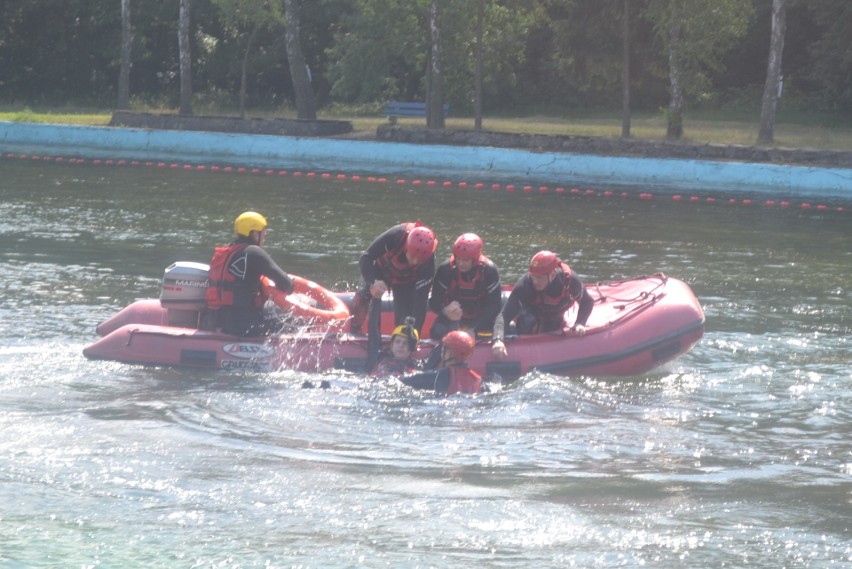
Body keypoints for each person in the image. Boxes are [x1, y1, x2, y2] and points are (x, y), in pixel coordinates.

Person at [206, 211, 294, 336]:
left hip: (218, 322)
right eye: (263, 233)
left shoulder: (226, 253)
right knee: (294, 320)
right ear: (254, 234)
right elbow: (287, 285)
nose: (264, 237)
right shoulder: (254, 252)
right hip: (245, 326)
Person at [491, 250, 594, 359]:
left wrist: (580, 323)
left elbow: (587, 302)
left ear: (553, 275)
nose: (535, 281)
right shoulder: (525, 284)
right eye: (533, 276)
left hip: (554, 316)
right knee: (529, 321)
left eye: (539, 278)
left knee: (552, 326)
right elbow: (504, 316)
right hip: (531, 313)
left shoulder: (570, 280)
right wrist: (498, 339)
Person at [349, 222, 437, 335]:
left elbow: (421, 300)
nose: (414, 262)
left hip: (405, 281)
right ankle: (355, 331)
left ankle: (401, 340)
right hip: (380, 271)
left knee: (405, 320)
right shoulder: (396, 235)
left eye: (419, 260)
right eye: (413, 256)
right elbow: (366, 257)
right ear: (407, 247)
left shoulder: (428, 262)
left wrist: (415, 335)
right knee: (362, 297)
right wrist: (372, 282)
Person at [428, 232, 502, 341]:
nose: (461, 263)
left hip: (480, 318)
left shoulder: (489, 271)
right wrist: (444, 310)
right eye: (458, 258)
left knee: (511, 329)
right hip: (453, 317)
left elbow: (495, 306)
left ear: (475, 259)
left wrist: (473, 329)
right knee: (437, 331)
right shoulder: (445, 270)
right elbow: (434, 301)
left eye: (465, 260)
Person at [399, 330, 485, 395]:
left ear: (450, 353)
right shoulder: (478, 380)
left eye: (444, 348)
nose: (441, 351)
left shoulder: (441, 375)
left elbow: (406, 382)